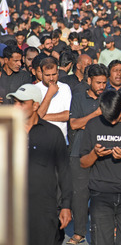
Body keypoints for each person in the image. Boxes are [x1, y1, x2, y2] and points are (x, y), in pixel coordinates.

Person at [79, 90, 121, 245]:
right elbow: (83, 162)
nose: (111, 123)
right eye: (107, 118)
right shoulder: (92, 124)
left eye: (115, 118)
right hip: (100, 193)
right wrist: (95, 154)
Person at [6, 84, 72, 245]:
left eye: (22, 103)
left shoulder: (52, 134)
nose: (16, 106)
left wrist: (66, 206)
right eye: (14, 102)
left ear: (35, 105)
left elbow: (64, 171)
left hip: (44, 211)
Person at [67, 64, 109, 245]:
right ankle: (79, 232)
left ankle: (104, 232)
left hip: (104, 152)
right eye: (98, 82)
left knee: (103, 193)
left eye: (104, 83)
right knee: (80, 195)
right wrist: (97, 114)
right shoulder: (78, 97)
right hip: (79, 152)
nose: (101, 86)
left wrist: (87, 123)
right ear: (89, 80)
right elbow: (74, 124)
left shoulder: (109, 98)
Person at [35, 57, 72, 142]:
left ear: (58, 72)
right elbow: (37, 117)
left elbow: (67, 115)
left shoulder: (65, 88)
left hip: (61, 139)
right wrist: (49, 94)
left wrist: (43, 117)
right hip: (41, 139)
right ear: (41, 73)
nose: (51, 78)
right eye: (47, 75)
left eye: (54, 74)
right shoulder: (35, 89)